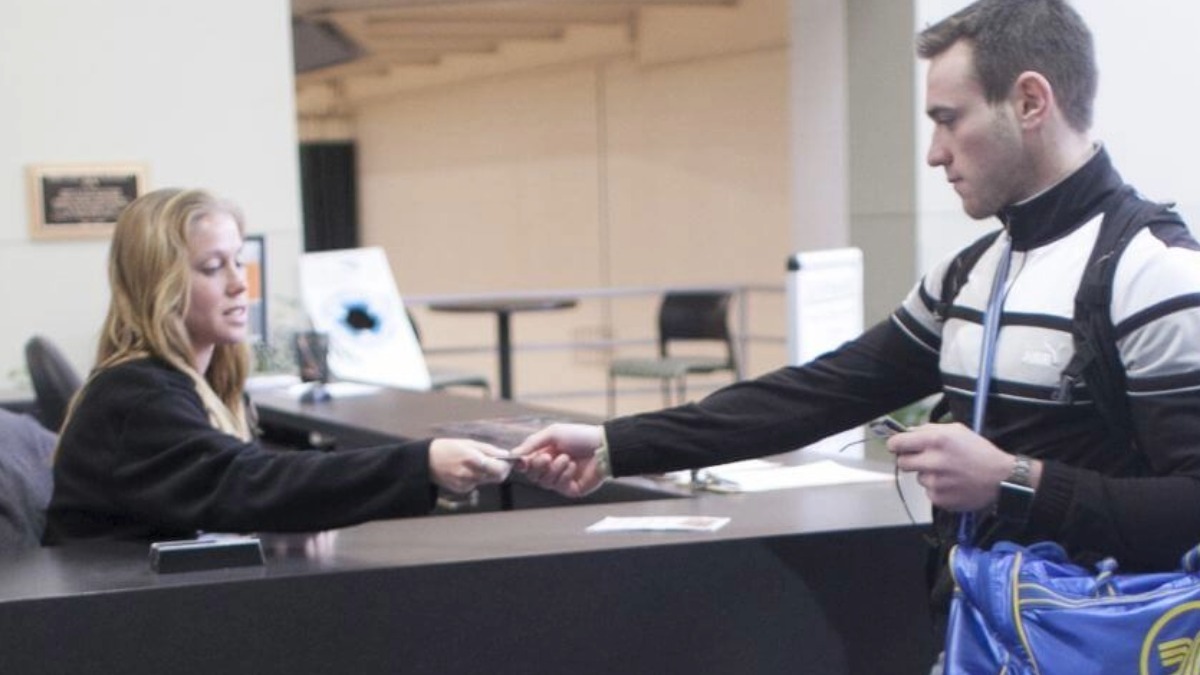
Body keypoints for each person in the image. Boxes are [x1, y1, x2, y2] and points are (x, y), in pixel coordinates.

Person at [514, 0, 1200, 646]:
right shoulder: (970, 273)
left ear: (1029, 101)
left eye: (948, 118)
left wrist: (1016, 481)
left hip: (1114, 642)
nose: (934, 152)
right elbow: (819, 393)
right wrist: (611, 443)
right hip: (984, 637)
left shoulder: (1152, 273)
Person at [44, 188, 513, 543]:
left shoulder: (193, 384)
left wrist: (292, 516)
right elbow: (243, 482)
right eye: (212, 268)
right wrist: (420, 462)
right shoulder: (137, 397)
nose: (238, 284)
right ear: (158, 286)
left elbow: (249, 478)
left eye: (238, 262)